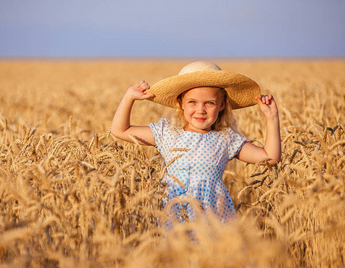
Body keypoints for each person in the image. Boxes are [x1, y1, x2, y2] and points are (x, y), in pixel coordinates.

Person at [111, 61, 281, 223]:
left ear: (222, 105)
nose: (201, 110)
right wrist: (129, 97)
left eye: (209, 103)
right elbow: (120, 130)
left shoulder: (225, 139)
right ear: (181, 103)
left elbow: (270, 157)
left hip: (214, 220)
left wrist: (271, 117)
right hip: (176, 216)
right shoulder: (167, 134)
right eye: (192, 102)